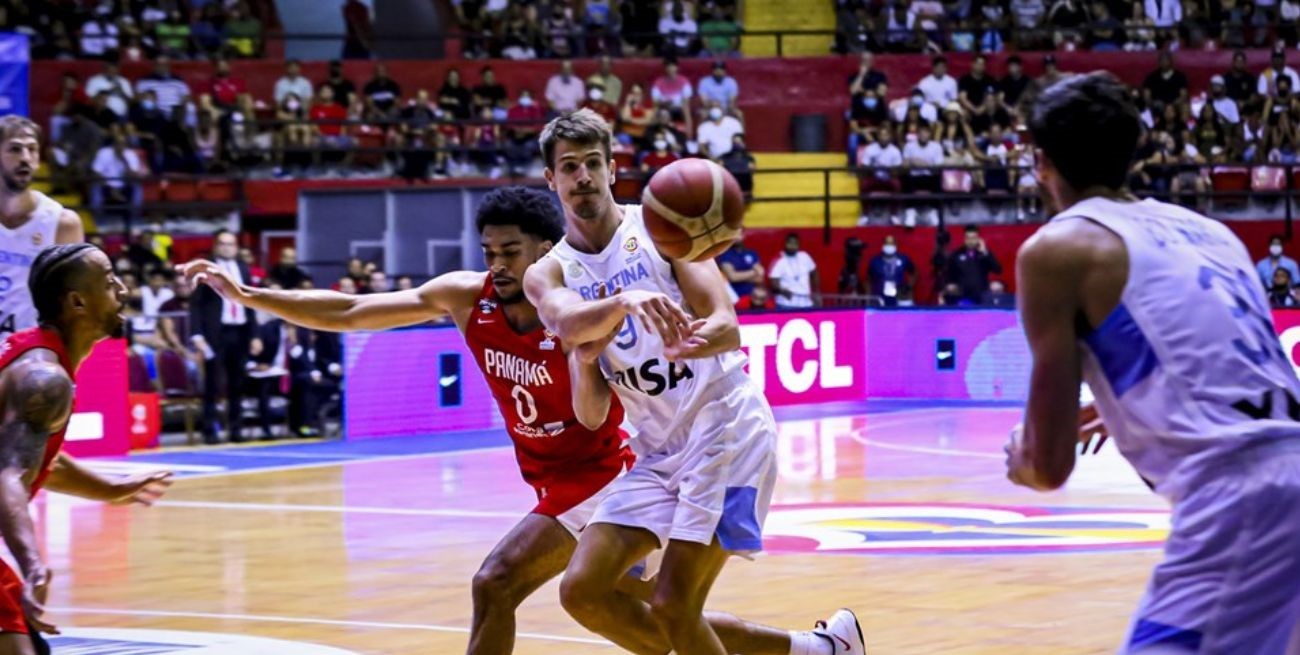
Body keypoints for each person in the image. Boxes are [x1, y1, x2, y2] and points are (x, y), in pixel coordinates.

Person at [523, 109, 864, 655]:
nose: (582, 176)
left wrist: (690, 341)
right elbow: (579, 372)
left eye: (592, 163)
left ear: (612, 170)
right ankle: (817, 651)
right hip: (659, 450)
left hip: (724, 428)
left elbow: (727, 324)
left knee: (674, 606)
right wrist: (595, 345)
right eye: (569, 167)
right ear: (551, 178)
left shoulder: (663, 230)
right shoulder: (549, 271)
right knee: (583, 591)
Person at [1008, 72, 1300, 654]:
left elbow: (1049, 467)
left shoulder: (1058, 250)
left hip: (1246, 496)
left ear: (1041, 161)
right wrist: (1124, 410)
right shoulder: (1213, 234)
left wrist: (1022, 456)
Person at [0, 244, 172, 653]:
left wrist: (110, 489)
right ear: (77, 302)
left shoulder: (39, 361)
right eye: (110, 282)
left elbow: (38, 460)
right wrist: (33, 564)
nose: (123, 290)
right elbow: (8, 474)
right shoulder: (45, 379)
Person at [0, 116, 85, 338]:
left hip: (34, 350)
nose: (25, 158)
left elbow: (74, 306)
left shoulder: (62, 223)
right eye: (15, 149)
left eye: (32, 149)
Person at [189, 229, 255, 444]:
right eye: (223, 244)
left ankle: (236, 429)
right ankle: (210, 430)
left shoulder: (243, 268)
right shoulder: (205, 269)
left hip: (240, 330)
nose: (227, 248)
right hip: (216, 332)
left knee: (238, 383)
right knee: (213, 382)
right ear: (216, 246)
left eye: (231, 244)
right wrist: (197, 334)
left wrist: (255, 334)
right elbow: (196, 304)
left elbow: (251, 300)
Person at [769, 232, 821, 308]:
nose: (792, 246)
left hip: (806, 303)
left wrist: (817, 292)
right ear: (785, 243)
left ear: (799, 245)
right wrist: (782, 291)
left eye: (795, 244)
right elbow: (773, 282)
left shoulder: (805, 256)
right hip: (786, 304)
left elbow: (814, 273)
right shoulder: (779, 259)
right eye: (790, 243)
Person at [867, 235, 916, 307]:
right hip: (879, 296)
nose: (889, 246)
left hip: (899, 295)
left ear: (896, 245)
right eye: (887, 243)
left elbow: (914, 272)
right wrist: (869, 297)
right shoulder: (875, 261)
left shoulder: (903, 259)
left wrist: (909, 286)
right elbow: (868, 279)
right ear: (883, 245)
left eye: (891, 243)